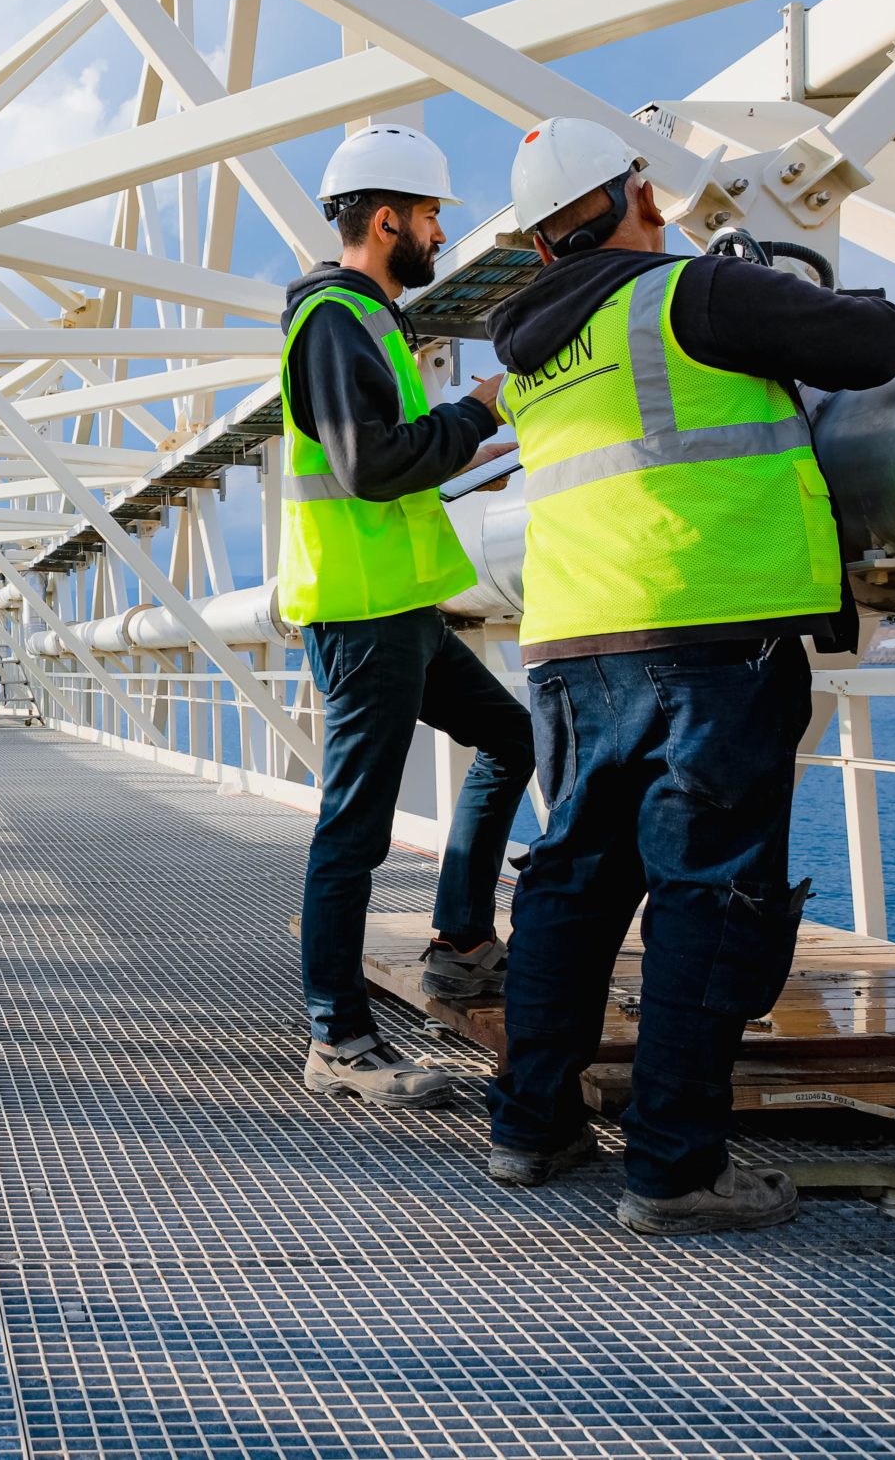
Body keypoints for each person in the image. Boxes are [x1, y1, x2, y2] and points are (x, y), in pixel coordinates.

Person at [482, 117, 895, 1233]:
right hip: (709, 632)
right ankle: (674, 1169)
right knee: (707, 894)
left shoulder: (528, 355)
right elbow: (875, 347)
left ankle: (532, 1129)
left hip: (573, 644)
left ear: (537, 247)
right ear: (639, 197)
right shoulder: (689, 297)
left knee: (573, 884)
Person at [280, 124, 538, 1110]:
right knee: (354, 829)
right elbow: (368, 464)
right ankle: (338, 1040)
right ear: (386, 218)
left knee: (511, 736)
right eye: (430, 216)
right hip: (363, 615)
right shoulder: (336, 320)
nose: (438, 233)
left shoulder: (367, 322)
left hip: (400, 609)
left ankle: (464, 941)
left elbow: (390, 461)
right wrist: (475, 409)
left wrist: (472, 448)